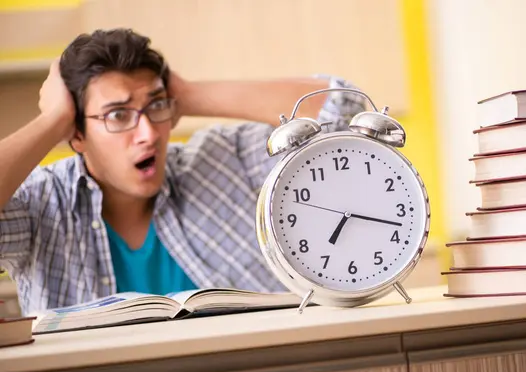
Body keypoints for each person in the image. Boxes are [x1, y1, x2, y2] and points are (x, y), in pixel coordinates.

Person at [0, 28, 365, 315]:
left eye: (155, 107)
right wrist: (53, 120)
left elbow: (344, 115)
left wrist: (185, 94)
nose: (148, 134)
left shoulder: (221, 160)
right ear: (77, 134)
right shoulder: (42, 202)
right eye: (118, 114)